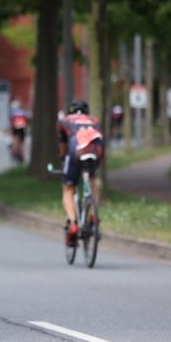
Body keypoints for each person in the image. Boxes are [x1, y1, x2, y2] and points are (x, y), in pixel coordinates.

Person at [57, 100, 104, 244]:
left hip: (75, 148)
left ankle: (72, 224)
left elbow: (63, 147)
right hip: (96, 149)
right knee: (92, 179)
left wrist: (62, 160)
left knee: (68, 189)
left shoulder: (64, 121)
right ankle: (93, 216)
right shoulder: (94, 121)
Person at [9, 99, 30, 163]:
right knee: (22, 143)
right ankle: (23, 156)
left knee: (15, 140)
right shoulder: (23, 112)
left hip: (15, 127)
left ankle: (14, 152)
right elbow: (28, 118)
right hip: (22, 128)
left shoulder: (12, 112)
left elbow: (11, 121)